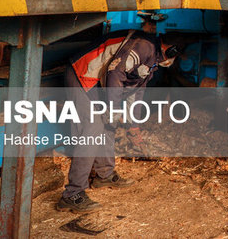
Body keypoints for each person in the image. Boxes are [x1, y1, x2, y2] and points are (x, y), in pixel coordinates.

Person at [56, 27, 181, 213]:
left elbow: (136, 94)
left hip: (98, 81)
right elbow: (115, 73)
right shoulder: (144, 46)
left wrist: (134, 126)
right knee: (92, 129)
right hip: (82, 75)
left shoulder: (152, 61)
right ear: (170, 50)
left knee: (108, 123)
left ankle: (104, 175)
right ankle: (72, 194)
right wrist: (113, 109)